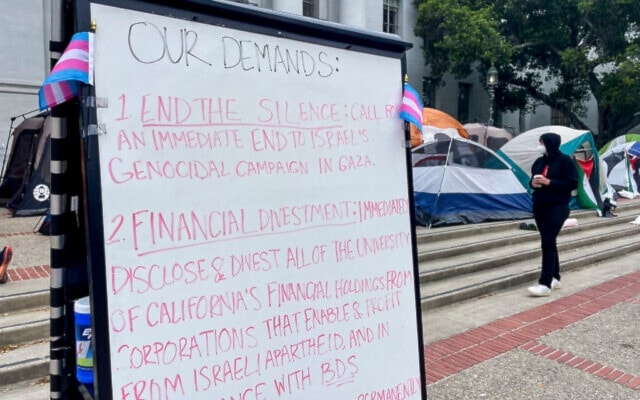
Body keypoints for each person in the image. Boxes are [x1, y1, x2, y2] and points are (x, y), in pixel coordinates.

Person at [528, 133, 578, 297]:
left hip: (558, 206)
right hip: (540, 205)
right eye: (539, 141)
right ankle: (555, 277)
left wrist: (550, 182)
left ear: (550, 143)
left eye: (542, 142)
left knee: (548, 241)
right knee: (548, 241)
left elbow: (572, 183)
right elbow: (532, 180)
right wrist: (534, 183)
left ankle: (545, 283)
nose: (540, 144)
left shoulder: (565, 161)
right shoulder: (539, 162)